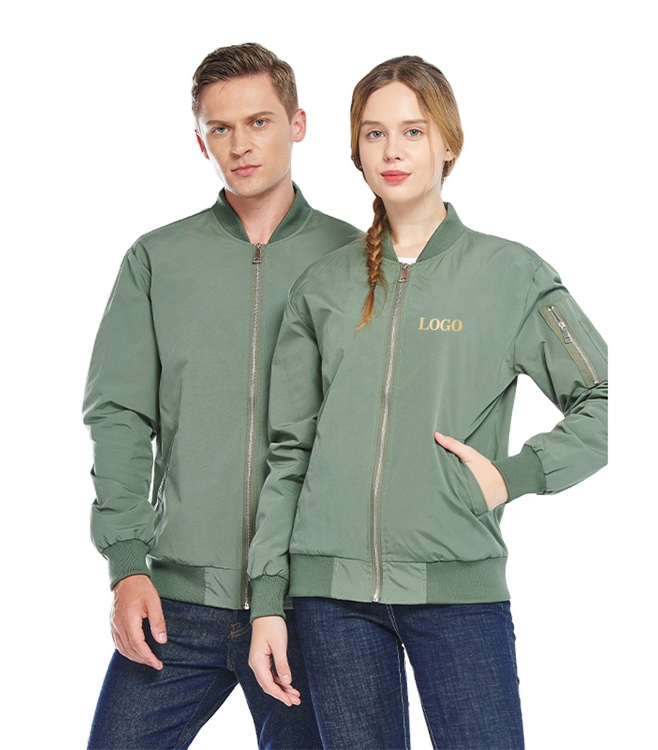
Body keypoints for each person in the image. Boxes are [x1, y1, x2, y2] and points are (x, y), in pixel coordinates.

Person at [247, 55, 608, 750]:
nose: (393, 150)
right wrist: (268, 599)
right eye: (375, 133)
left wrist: (516, 475)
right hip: (329, 600)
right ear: (356, 150)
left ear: (448, 144)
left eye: (413, 131)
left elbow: (609, 399)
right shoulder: (323, 287)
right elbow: (288, 453)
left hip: (458, 593)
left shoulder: (510, 275)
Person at [83, 42, 360, 749]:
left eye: (259, 122)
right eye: (220, 128)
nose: (240, 145)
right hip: (178, 599)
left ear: (298, 124)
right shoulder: (157, 259)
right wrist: (127, 564)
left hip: (309, 603)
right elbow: (119, 416)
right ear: (200, 139)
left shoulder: (356, 259)